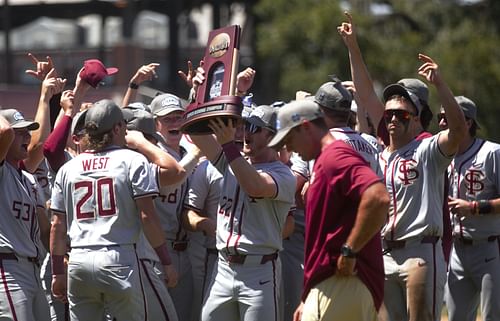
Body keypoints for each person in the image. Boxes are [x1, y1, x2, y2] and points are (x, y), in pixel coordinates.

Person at [49, 99, 177, 321]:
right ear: (117, 128)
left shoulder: (68, 168)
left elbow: (57, 226)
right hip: (119, 257)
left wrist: (57, 271)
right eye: (124, 126)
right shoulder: (132, 160)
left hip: (79, 258)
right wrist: (166, 261)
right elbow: (148, 217)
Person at [266, 100, 389, 321]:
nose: (289, 149)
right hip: (330, 285)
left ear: (306, 127)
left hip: (343, 283)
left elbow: (378, 197)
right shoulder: (327, 158)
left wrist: (350, 250)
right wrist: (308, 296)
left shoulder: (336, 157)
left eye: (289, 139)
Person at [188, 103, 296, 321]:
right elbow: (196, 134)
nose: (246, 132)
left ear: (274, 136)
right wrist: (198, 97)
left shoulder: (284, 174)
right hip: (223, 269)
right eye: (245, 125)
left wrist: (228, 145)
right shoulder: (234, 162)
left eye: (255, 128)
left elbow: (255, 185)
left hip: (260, 271)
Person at [438, 96, 500, 321]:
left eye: (447, 118)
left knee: (493, 316)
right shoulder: (443, 156)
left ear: (468, 123)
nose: (442, 123)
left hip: (489, 248)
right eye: (440, 118)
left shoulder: (492, 153)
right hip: (457, 250)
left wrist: (474, 207)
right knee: (456, 317)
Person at [0, 109, 51, 321]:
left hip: (33, 269)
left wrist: (61, 262)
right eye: (20, 133)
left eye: (27, 132)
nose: (28, 137)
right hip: (8, 269)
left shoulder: (29, 179)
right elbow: (3, 130)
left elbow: (45, 229)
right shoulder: (2, 171)